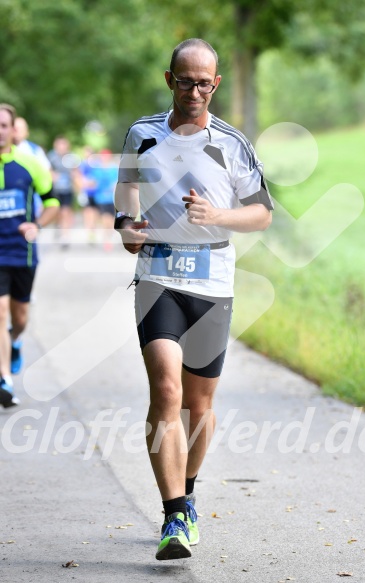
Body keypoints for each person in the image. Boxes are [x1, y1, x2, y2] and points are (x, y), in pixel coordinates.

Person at [114, 39, 274, 561]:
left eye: (205, 82)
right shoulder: (142, 134)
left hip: (212, 283)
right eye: (186, 81)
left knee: (199, 405)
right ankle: (174, 512)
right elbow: (126, 195)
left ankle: (189, 486)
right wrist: (127, 227)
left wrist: (217, 216)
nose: (195, 92)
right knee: (166, 390)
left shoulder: (232, 143)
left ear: (217, 84)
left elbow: (261, 213)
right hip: (157, 276)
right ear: (169, 80)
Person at [0, 104, 59, 408]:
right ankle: (4, 381)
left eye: (3, 125)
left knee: (19, 317)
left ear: (12, 130)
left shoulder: (29, 164)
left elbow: (52, 202)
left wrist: (36, 225)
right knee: (0, 313)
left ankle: (15, 340)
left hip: (22, 253)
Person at [47, 136, 76, 248]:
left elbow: (75, 171)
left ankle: (65, 236)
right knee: (58, 212)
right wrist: (52, 176)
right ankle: (58, 227)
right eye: (60, 144)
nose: (62, 147)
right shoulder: (51, 157)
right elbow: (47, 171)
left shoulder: (71, 157)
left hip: (67, 189)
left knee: (66, 211)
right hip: (55, 190)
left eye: (64, 145)